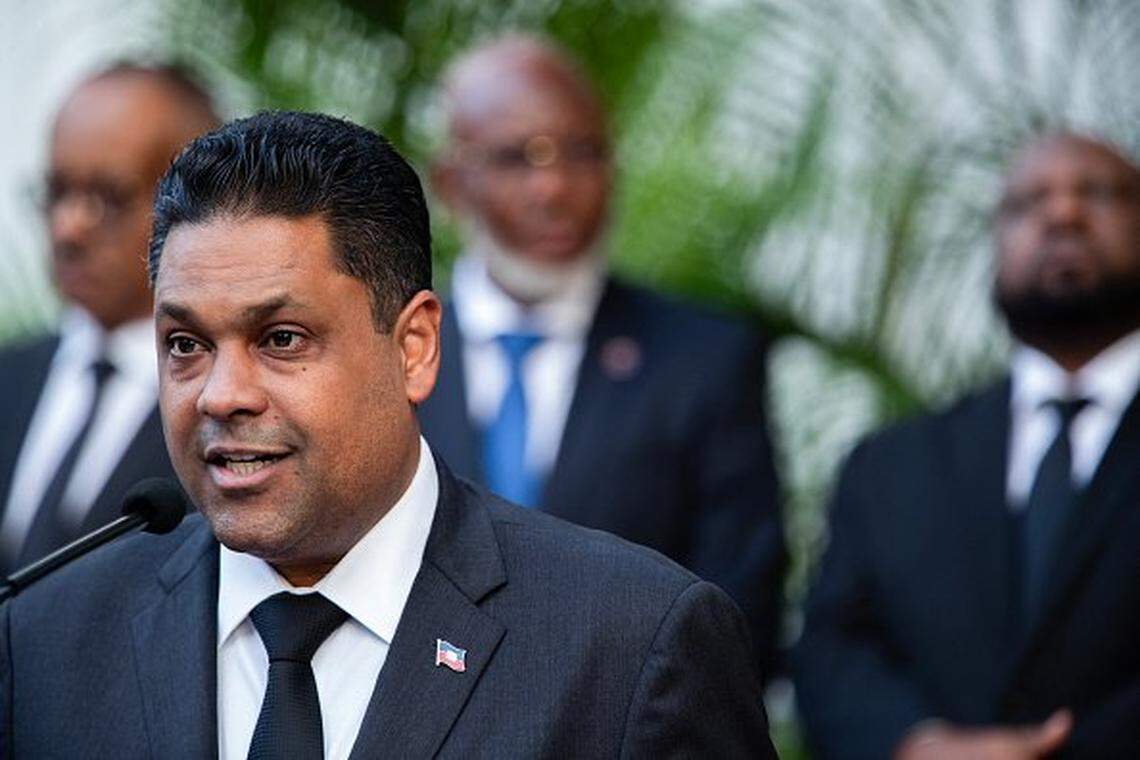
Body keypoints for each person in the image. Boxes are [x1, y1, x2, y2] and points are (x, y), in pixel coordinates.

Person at [0, 111, 777, 758]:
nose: (221, 395)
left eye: (281, 339)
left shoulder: (629, 647)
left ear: (414, 348)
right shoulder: (45, 640)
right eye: (185, 345)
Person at [421, 34, 786, 678]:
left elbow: (740, 608)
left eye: (583, 153)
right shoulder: (383, 354)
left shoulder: (705, 360)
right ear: (451, 183)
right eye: (518, 158)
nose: (555, 187)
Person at [795, 133, 1140, 759]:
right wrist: (917, 745)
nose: (1063, 214)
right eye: (1027, 203)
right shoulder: (889, 467)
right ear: (996, 247)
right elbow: (831, 652)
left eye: (1099, 193)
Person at [0, 63, 218, 573]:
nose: (68, 227)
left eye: (107, 196)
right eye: (57, 191)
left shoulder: (228, 399)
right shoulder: (9, 376)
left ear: (196, 202)